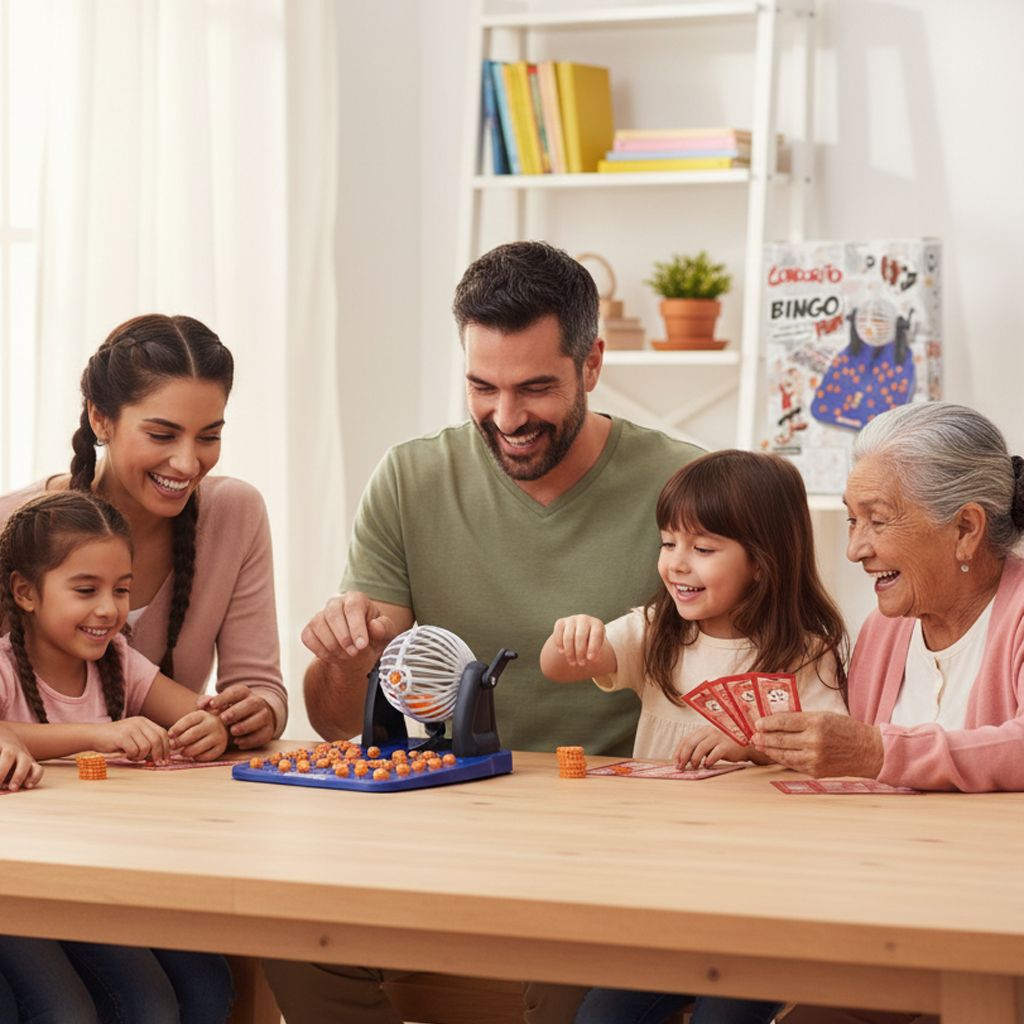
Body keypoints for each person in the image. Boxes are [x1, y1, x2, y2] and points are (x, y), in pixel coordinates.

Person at [264, 240, 703, 1024]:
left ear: (593, 363)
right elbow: (339, 721)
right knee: (296, 937)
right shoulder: (411, 479)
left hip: (614, 825)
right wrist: (347, 659)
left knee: (573, 981)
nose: (507, 419)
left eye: (536, 389)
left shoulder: (686, 492)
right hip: (444, 812)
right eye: (482, 387)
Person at [541, 450, 847, 1024]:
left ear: (763, 561)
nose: (678, 564)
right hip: (663, 892)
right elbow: (558, 668)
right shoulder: (658, 631)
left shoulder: (810, 651)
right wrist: (571, 636)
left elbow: (829, 754)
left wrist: (752, 743)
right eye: (668, 543)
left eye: (703, 549)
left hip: (760, 904)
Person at [754, 401, 1024, 1024]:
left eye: (876, 521)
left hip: (998, 936)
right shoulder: (883, 632)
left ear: (966, 529)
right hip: (890, 925)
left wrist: (879, 751)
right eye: (852, 521)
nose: (854, 550)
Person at [0, 490, 234, 1024]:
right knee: (70, 1008)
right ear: (25, 592)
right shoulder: (6, 667)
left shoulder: (118, 661)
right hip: (18, 893)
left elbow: (191, 712)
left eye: (122, 590)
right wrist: (95, 736)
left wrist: (211, 725)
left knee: (194, 987)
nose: (109, 608)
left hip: (99, 882)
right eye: (86, 589)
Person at [0, 313, 287, 747]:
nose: (189, 464)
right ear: (100, 418)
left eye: (209, 437)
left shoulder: (235, 514)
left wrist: (249, 717)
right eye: (161, 434)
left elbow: (258, 691)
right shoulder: (15, 526)